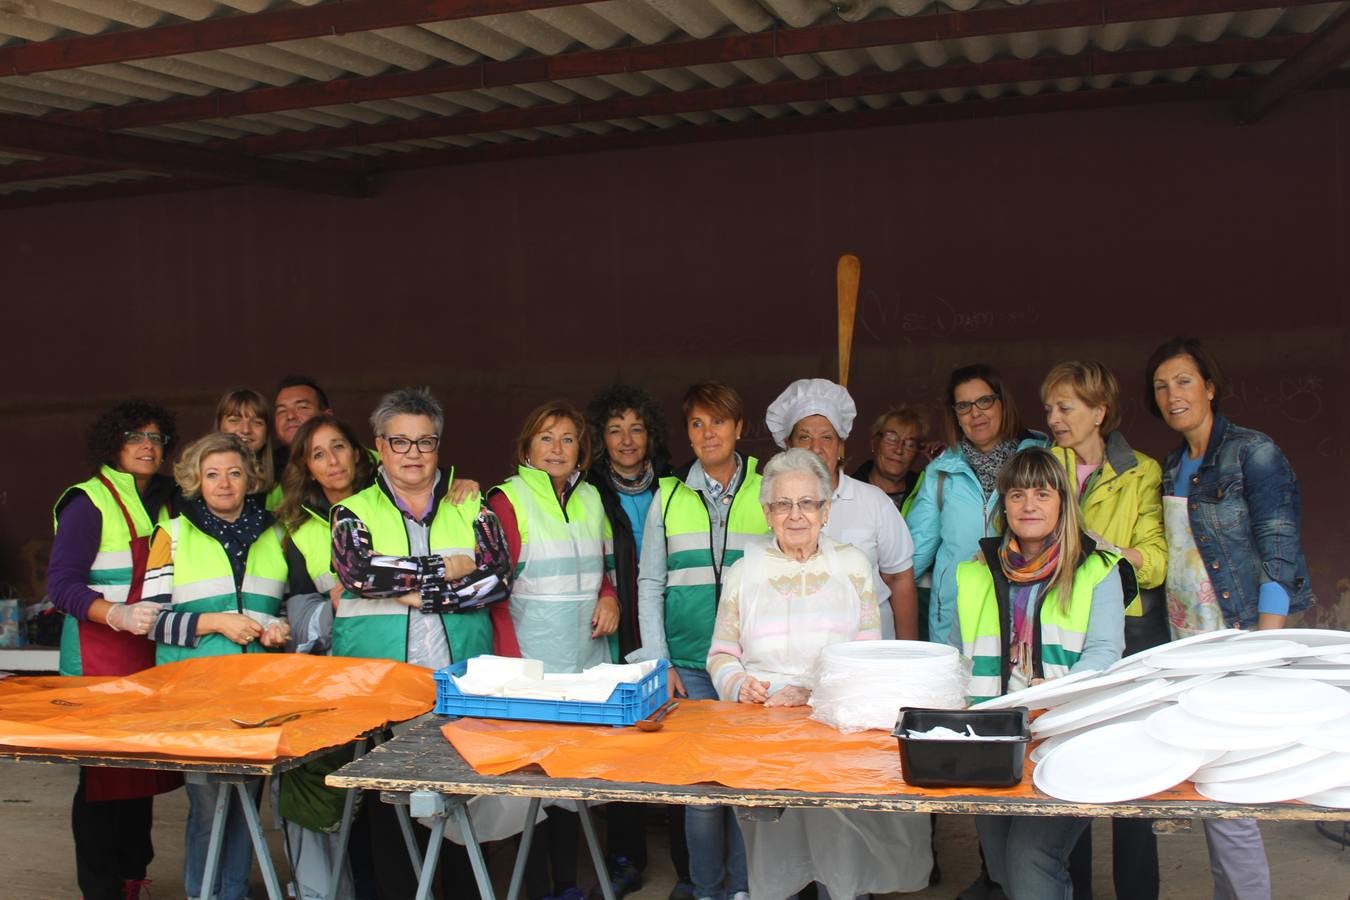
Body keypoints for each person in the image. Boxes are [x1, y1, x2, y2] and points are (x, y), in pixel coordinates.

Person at [708, 448, 932, 899]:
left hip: (834, 728)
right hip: (763, 731)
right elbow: (720, 654)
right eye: (783, 504)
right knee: (775, 850)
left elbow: (867, 656)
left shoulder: (852, 567)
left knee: (841, 847)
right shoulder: (743, 571)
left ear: (826, 510)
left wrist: (810, 689)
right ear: (767, 512)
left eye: (808, 503)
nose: (796, 515)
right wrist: (738, 684)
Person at [1147, 337, 1314, 900]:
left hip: (1238, 638)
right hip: (1188, 642)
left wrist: (1263, 648)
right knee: (1211, 790)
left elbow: (1280, 548)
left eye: (1184, 381)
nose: (1173, 395)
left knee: (1228, 790)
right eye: (1162, 386)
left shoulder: (1252, 452)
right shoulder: (1173, 464)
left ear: (1210, 387)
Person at [330, 387, 511, 900]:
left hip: (459, 683)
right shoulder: (352, 512)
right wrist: (447, 570)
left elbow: (497, 579)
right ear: (380, 447)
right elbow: (360, 573)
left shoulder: (471, 503)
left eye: (424, 442)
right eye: (400, 442)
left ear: (439, 446)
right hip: (382, 686)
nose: (413, 454)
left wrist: (416, 592)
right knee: (391, 809)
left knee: (459, 802)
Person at [952, 447, 1127, 899]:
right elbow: (956, 658)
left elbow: (1105, 652)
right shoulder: (974, 573)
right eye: (1017, 494)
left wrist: (1059, 690)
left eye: (1042, 494)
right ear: (1003, 505)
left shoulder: (1097, 568)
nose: (1029, 505)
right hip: (991, 738)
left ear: (1063, 504)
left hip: (1066, 734)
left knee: (1032, 860)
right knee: (1002, 866)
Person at [634, 381, 770, 900]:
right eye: (696, 423)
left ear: (739, 427)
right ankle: (708, 890)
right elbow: (650, 584)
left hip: (748, 666)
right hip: (688, 665)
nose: (707, 432)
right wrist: (657, 662)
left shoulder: (768, 487)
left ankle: (745, 890)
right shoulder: (667, 497)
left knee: (742, 787)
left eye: (718, 421)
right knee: (698, 793)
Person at [141, 432, 291, 900]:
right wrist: (215, 622)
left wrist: (280, 629)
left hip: (259, 694)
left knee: (249, 802)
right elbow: (150, 621)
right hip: (196, 696)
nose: (223, 483)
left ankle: (233, 893)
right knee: (208, 806)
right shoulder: (172, 533)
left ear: (250, 479)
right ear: (194, 481)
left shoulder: (277, 531)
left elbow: (285, 607)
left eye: (233, 473)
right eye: (212, 474)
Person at [1042, 361, 1168, 900]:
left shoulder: (1142, 470)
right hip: (1062, 631)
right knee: (1069, 772)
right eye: (1049, 408)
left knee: (1131, 778)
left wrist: (1093, 550)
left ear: (1099, 412)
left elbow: (1156, 562)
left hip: (1131, 633)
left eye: (1065, 408)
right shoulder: (1042, 466)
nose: (1053, 418)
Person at [47, 400, 182, 900]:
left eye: (156, 438)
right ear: (113, 443)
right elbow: (61, 585)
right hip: (96, 660)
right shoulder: (87, 502)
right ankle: (102, 886)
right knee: (102, 779)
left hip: (149, 658)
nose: (148, 446)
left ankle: (132, 876)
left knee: (138, 774)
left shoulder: (167, 501)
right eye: (135, 436)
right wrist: (117, 614)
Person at [486, 401, 619, 900]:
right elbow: (495, 595)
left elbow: (602, 572)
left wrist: (610, 598)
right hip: (532, 668)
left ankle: (565, 884)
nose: (557, 448)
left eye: (567, 438)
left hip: (583, 666)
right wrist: (512, 667)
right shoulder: (507, 501)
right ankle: (534, 888)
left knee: (570, 784)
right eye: (546, 437)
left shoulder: (590, 499)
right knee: (532, 787)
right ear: (527, 447)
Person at [583, 384, 690, 900]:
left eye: (637, 428)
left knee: (676, 740)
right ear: (601, 438)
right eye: (615, 429)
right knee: (623, 742)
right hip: (613, 633)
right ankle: (625, 855)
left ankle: (688, 857)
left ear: (652, 435)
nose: (627, 440)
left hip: (668, 629)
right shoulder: (587, 492)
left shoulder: (675, 488)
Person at [273, 414, 378, 900]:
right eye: (319, 454)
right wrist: (336, 607)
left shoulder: (393, 500)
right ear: (308, 468)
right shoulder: (297, 528)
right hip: (335, 678)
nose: (333, 460)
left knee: (390, 796)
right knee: (327, 785)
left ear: (358, 452)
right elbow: (294, 609)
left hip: (399, 665)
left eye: (339, 447)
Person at [906, 363, 1048, 650]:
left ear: (1002, 404)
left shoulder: (1039, 459)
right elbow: (913, 553)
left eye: (984, 401)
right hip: (954, 618)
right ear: (955, 416)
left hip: (1024, 611)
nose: (975, 413)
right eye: (964, 406)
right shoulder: (942, 471)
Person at [765, 378, 919, 639]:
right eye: (805, 437)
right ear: (788, 444)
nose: (816, 447)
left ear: (840, 445)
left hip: (870, 655)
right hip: (799, 650)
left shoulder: (873, 502)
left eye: (827, 437)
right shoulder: (773, 505)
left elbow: (899, 579)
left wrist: (908, 653)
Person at [853, 405, 929, 515]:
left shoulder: (924, 496)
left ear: (917, 453)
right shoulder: (849, 491)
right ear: (874, 443)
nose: (899, 450)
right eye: (891, 439)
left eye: (910, 444)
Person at [215, 387, 280, 507]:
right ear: (219, 428)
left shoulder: (282, 489)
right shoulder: (196, 482)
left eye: (257, 422)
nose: (245, 430)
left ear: (266, 434)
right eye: (234, 420)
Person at [272, 375, 333, 474]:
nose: (290, 416)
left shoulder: (358, 459)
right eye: (281, 411)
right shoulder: (266, 470)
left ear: (327, 417)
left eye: (302, 407)